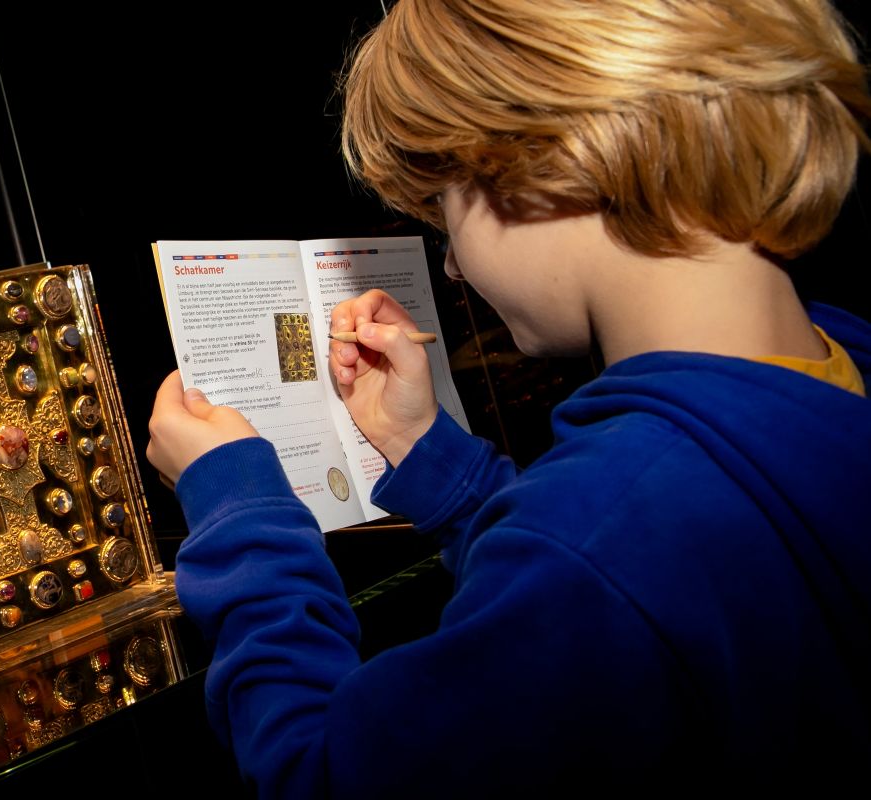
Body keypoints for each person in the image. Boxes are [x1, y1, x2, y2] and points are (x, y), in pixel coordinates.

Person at [146, 0, 871, 795]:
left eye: (443, 211)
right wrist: (427, 450)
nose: (451, 266)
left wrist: (239, 516)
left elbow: (318, 776)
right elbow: (616, 571)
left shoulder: (605, 539)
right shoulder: (837, 363)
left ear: (542, 164)